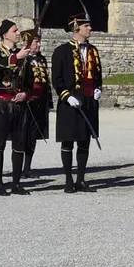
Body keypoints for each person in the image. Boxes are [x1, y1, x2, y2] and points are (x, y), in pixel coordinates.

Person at [51, 13, 102, 194]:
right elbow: (56, 79)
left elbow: (98, 75)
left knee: (84, 141)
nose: (90, 29)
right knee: (68, 142)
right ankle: (68, 179)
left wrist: (98, 89)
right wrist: (66, 95)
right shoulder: (62, 51)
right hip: (70, 102)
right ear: (76, 27)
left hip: (89, 101)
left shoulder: (94, 50)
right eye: (86, 26)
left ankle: (81, 179)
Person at [0, 20, 32, 196]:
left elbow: (29, 80)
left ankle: (16, 183)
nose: (18, 33)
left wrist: (25, 94)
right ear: (5, 34)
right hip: (2, 103)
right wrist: (15, 58)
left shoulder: (23, 55)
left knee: (19, 144)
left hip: (19, 104)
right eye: (14, 30)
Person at [19, 29, 50, 180]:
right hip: (27, 103)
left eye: (38, 41)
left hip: (39, 102)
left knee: (32, 136)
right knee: (22, 136)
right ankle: (19, 168)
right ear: (27, 43)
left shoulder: (41, 59)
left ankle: (27, 167)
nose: (38, 44)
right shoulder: (22, 61)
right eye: (35, 42)